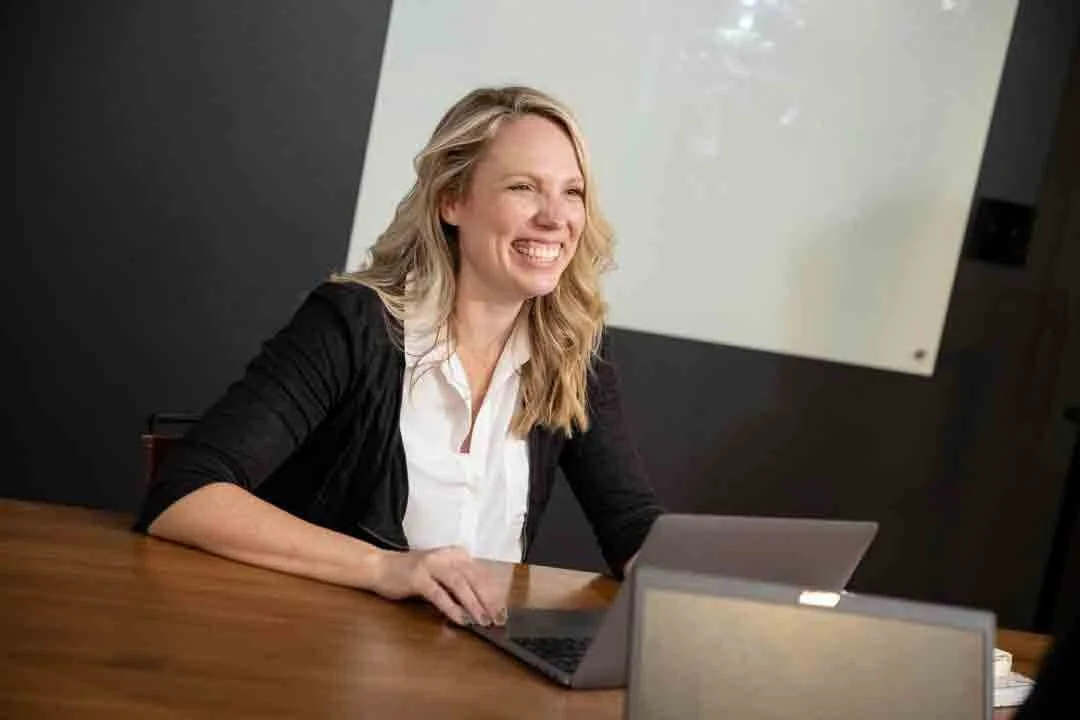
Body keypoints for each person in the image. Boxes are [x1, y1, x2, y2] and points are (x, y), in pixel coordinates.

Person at [136, 85, 663, 629]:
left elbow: (630, 523)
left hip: (474, 668)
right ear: (451, 200)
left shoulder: (573, 349)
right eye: (524, 187)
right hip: (313, 657)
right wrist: (387, 569)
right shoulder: (353, 325)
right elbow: (187, 492)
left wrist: (704, 586)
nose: (556, 218)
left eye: (572, 192)